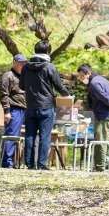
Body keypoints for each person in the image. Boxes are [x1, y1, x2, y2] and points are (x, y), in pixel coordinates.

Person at [20, 40, 68, 170]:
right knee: (44, 136)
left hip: (30, 106)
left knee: (30, 135)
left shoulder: (25, 67)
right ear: (47, 52)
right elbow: (59, 86)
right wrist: (67, 95)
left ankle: (29, 164)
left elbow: (21, 86)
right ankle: (41, 164)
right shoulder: (49, 67)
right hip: (46, 107)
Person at [76, 64, 109, 173]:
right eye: (79, 77)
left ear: (88, 73)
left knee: (101, 141)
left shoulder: (94, 84)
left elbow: (103, 97)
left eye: (81, 76)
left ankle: (99, 166)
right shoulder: (102, 80)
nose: (80, 79)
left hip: (105, 116)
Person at [0, 54, 28, 168]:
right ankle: (7, 162)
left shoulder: (25, 77)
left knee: (24, 137)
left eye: (24, 63)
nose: (22, 65)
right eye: (20, 63)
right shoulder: (8, 76)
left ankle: (18, 161)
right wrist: (7, 111)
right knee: (12, 135)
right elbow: (3, 95)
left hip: (26, 109)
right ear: (14, 62)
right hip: (14, 109)